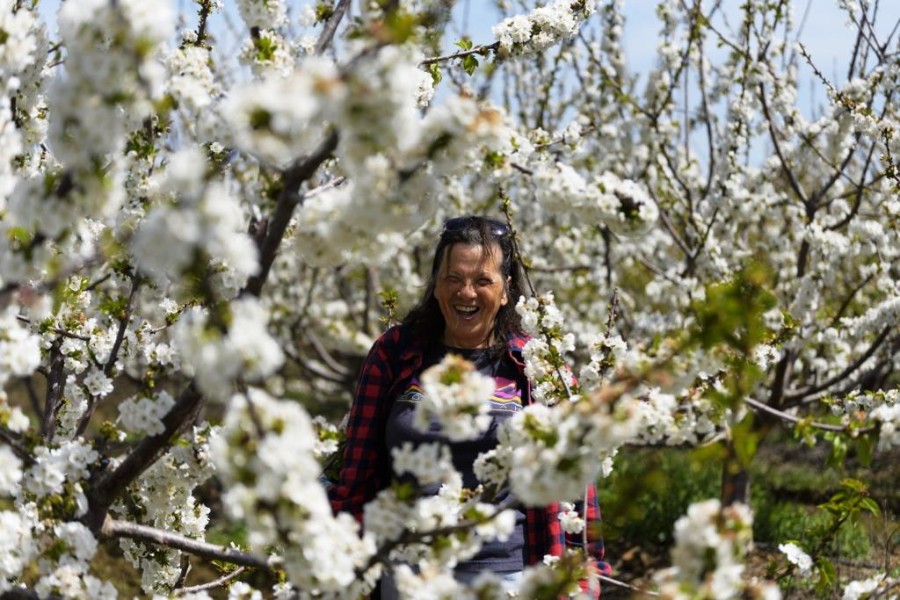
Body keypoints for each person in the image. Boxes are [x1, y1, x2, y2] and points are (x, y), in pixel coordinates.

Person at [328, 215, 611, 597]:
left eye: (483, 281)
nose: (466, 293)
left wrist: (584, 576)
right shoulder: (395, 353)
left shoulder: (538, 366)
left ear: (506, 290)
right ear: (436, 285)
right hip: (410, 575)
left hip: (509, 579)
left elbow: (577, 487)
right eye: (454, 278)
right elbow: (357, 474)